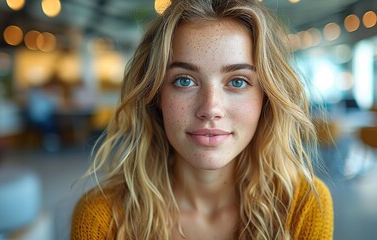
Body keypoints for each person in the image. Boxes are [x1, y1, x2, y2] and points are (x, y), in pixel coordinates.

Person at [71, 0, 334, 239]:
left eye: (238, 81)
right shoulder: (102, 218)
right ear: (156, 97)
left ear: (266, 98)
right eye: (184, 81)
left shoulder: (302, 206)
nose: (210, 108)